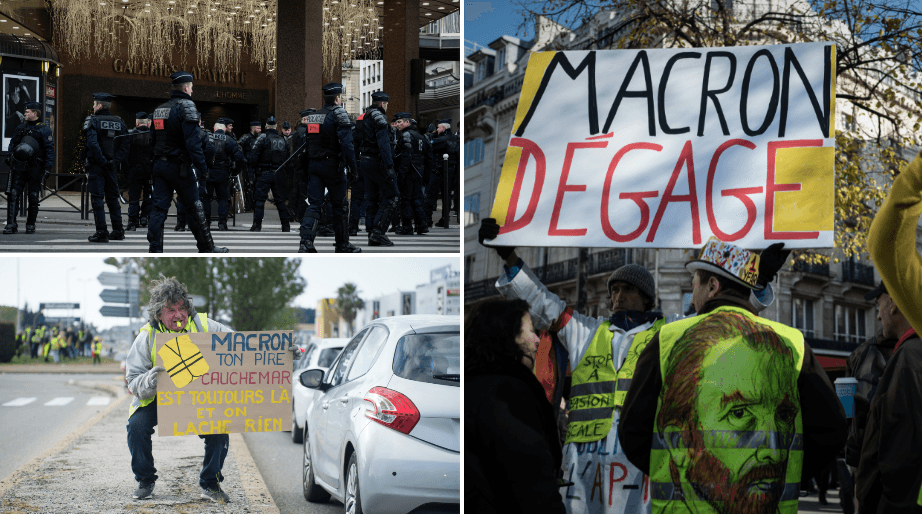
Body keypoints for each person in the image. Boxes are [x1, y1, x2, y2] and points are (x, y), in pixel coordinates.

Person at [619, 236, 846, 513]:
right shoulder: (793, 342)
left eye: (694, 288)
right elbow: (831, 430)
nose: (772, 453)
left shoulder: (667, 340)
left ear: (711, 286)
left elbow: (633, 430)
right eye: (739, 414)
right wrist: (791, 473)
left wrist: (677, 465)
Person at [125, 276, 233, 502]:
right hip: (157, 398)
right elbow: (133, 380)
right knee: (136, 427)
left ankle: (210, 483)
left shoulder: (204, 325)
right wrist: (151, 380)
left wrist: (283, 353)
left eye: (182, 308)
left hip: (197, 396)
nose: (178, 315)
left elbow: (241, 345)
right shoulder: (146, 336)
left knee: (219, 429)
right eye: (170, 310)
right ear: (158, 314)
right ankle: (145, 480)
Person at [465, 298, 566, 513]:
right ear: (508, 336)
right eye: (530, 331)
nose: (538, 340)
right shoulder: (509, 394)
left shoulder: (470, 385)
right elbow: (532, 481)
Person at [854, 281, 922, 511]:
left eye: (879, 305)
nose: (878, 317)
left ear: (893, 303)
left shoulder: (909, 357)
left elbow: (900, 453)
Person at [146, 71, 228, 253]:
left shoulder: (160, 110)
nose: (192, 90)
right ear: (185, 87)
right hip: (179, 167)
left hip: (159, 165)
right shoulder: (187, 106)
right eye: (191, 87)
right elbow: (193, 142)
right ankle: (207, 248)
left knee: (158, 209)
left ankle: (155, 248)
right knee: (194, 208)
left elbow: (152, 141)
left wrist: (154, 164)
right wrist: (203, 169)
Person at [296, 83, 360, 253]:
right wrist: (354, 169)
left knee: (314, 205)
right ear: (338, 98)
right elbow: (347, 144)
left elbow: (308, 142)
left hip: (314, 165)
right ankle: (342, 244)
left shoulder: (315, 116)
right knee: (339, 206)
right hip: (333, 166)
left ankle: (306, 243)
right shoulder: (339, 113)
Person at [83, 92, 129, 243]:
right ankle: (118, 231)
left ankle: (102, 231)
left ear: (100, 105)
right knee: (113, 199)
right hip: (111, 167)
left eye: (95, 104)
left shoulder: (93, 120)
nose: (93, 106)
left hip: (98, 166)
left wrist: (102, 161)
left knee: (97, 199)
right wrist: (114, 161)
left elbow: (92, 144)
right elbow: (124, 144)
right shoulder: (119, 122)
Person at [4, 101, 54, 234]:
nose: (25, 113)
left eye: (27, 111)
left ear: (34, 113)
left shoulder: (44, 129)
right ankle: (11, 224)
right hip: (19, 167)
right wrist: (9, 156)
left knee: (33, 196)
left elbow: (49, 150)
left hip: (35, 168)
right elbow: (13, 143)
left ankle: (30, 224)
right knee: (13, 194)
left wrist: (48, 168)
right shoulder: (21, 127)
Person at [358, 91, 398, 247]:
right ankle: (378, 232)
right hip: (377, 162)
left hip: (365, 161)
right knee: (392, 195)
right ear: (383, 104)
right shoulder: (380, 118)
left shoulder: (365, 116)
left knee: (371, 198)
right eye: (386, 104)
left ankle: (371, 233)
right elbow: (384, 144)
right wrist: (389, 166)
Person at [247, 115, 291, 232]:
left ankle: (257, 225)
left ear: (266, 126)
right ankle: (286, 226)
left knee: (259, 200)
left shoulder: (262, 138)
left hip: (264, 173)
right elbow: (288, 159)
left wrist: (254, 170)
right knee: (280, 201)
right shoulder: (283, 140)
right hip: (279, 174)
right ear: (276, 127)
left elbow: (253, 157)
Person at [393, 113, 430, 235]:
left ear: (407, 123)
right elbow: (428, 156)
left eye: (400, 122)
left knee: (406, 200)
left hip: (409, 171)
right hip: (418, 171)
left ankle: (407, 227)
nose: (397, 124)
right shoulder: (421, 136)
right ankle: (422, 225)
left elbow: (406, 156)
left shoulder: (406, 135)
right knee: (417, 199)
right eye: (397, 122)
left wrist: (401, 174)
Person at [205, 120, 244, 231]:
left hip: (208, 172)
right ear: (225, 129)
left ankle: (206, 223)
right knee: (223, 198)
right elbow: (238, 157)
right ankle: (222, 223)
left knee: (206, 198)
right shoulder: (230, 140)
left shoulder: (208, 138)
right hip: (223, 173)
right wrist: (235, 171)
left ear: (214, 129)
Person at [427, 119, 459, 228]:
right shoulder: (456, 139)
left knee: (431, 194)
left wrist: (434, 136)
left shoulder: (440, 140)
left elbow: (429, 148)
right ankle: (446, 218)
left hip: (438, 169)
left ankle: (428, 219)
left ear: (443, 128)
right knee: (447, 194)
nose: (436, 129)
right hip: (451, 170)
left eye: (438, 127)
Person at [126, 112, 154, 231]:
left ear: (137, 123)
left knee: (134, 197)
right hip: (149, 170)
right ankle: (144, 217)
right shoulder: (152, 136)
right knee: (148, 195)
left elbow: (126, 154)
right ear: (147, 123)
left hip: (135, 170)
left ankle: (133, 222)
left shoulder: (130, 135)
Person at [237, 121, 261, 212]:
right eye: (258, 128)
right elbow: (238, 147)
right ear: (253, 128)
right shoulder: (246, 137)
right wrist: (243, 159)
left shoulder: (259, 138)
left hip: (257, 165)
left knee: (256, 185)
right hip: (248, 165)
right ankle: (249, 205)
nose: (260, 130)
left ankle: (255, 205)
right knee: (248, 185)